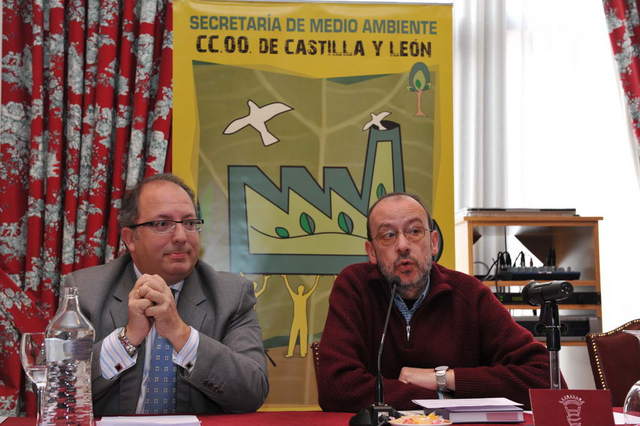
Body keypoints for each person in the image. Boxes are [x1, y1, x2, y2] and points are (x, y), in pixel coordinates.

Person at [317, 192, 553, 411]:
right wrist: (442, 400)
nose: (403, 245)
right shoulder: (355, 286)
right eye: (388, 235)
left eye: (414, 231)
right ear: (371, 252)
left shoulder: (469, 293)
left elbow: (546, 379)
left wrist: (441, 379)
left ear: (433, 243)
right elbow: (336, 388)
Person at [67, 173, 268, 416]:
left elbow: (252, 393)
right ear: (130, 238)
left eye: (190, 223)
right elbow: (60, 392)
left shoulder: (232, 295)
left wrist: (181, 334)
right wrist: (127, 339)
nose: (181, 236)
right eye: (163, 224)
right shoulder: (84, 290)